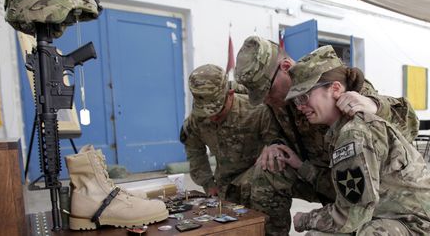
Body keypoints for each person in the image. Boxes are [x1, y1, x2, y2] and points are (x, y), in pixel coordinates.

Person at [234, 36, 419, 235]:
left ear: (286, 67)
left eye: (267, 90)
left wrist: (374, 105)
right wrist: (274, 146)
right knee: (265, 174)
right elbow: (277, 132)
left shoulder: (334, 82)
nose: (267, 100)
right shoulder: (278, 103)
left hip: (368, 191)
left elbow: (407, 126)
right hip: (323, 178)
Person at [284, 45, 430, 235]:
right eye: (296, 101)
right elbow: (348, 192)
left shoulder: (354, 133)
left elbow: (350, 216)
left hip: (416, 224)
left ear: (335, 88)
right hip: (388, 215)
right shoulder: (342, 130)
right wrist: (301, 166)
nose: (300, 107)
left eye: (304, 97)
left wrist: (305, 219)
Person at [180, 64, 281, 204]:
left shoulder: (257, 111)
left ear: (230, 94)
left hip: (261, 184)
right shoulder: (195, 121)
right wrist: (208, 184)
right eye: (206, 112)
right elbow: (195, 152)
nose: (212, 117)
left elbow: (277, 147)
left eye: (218, 110)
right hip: (225, 186)